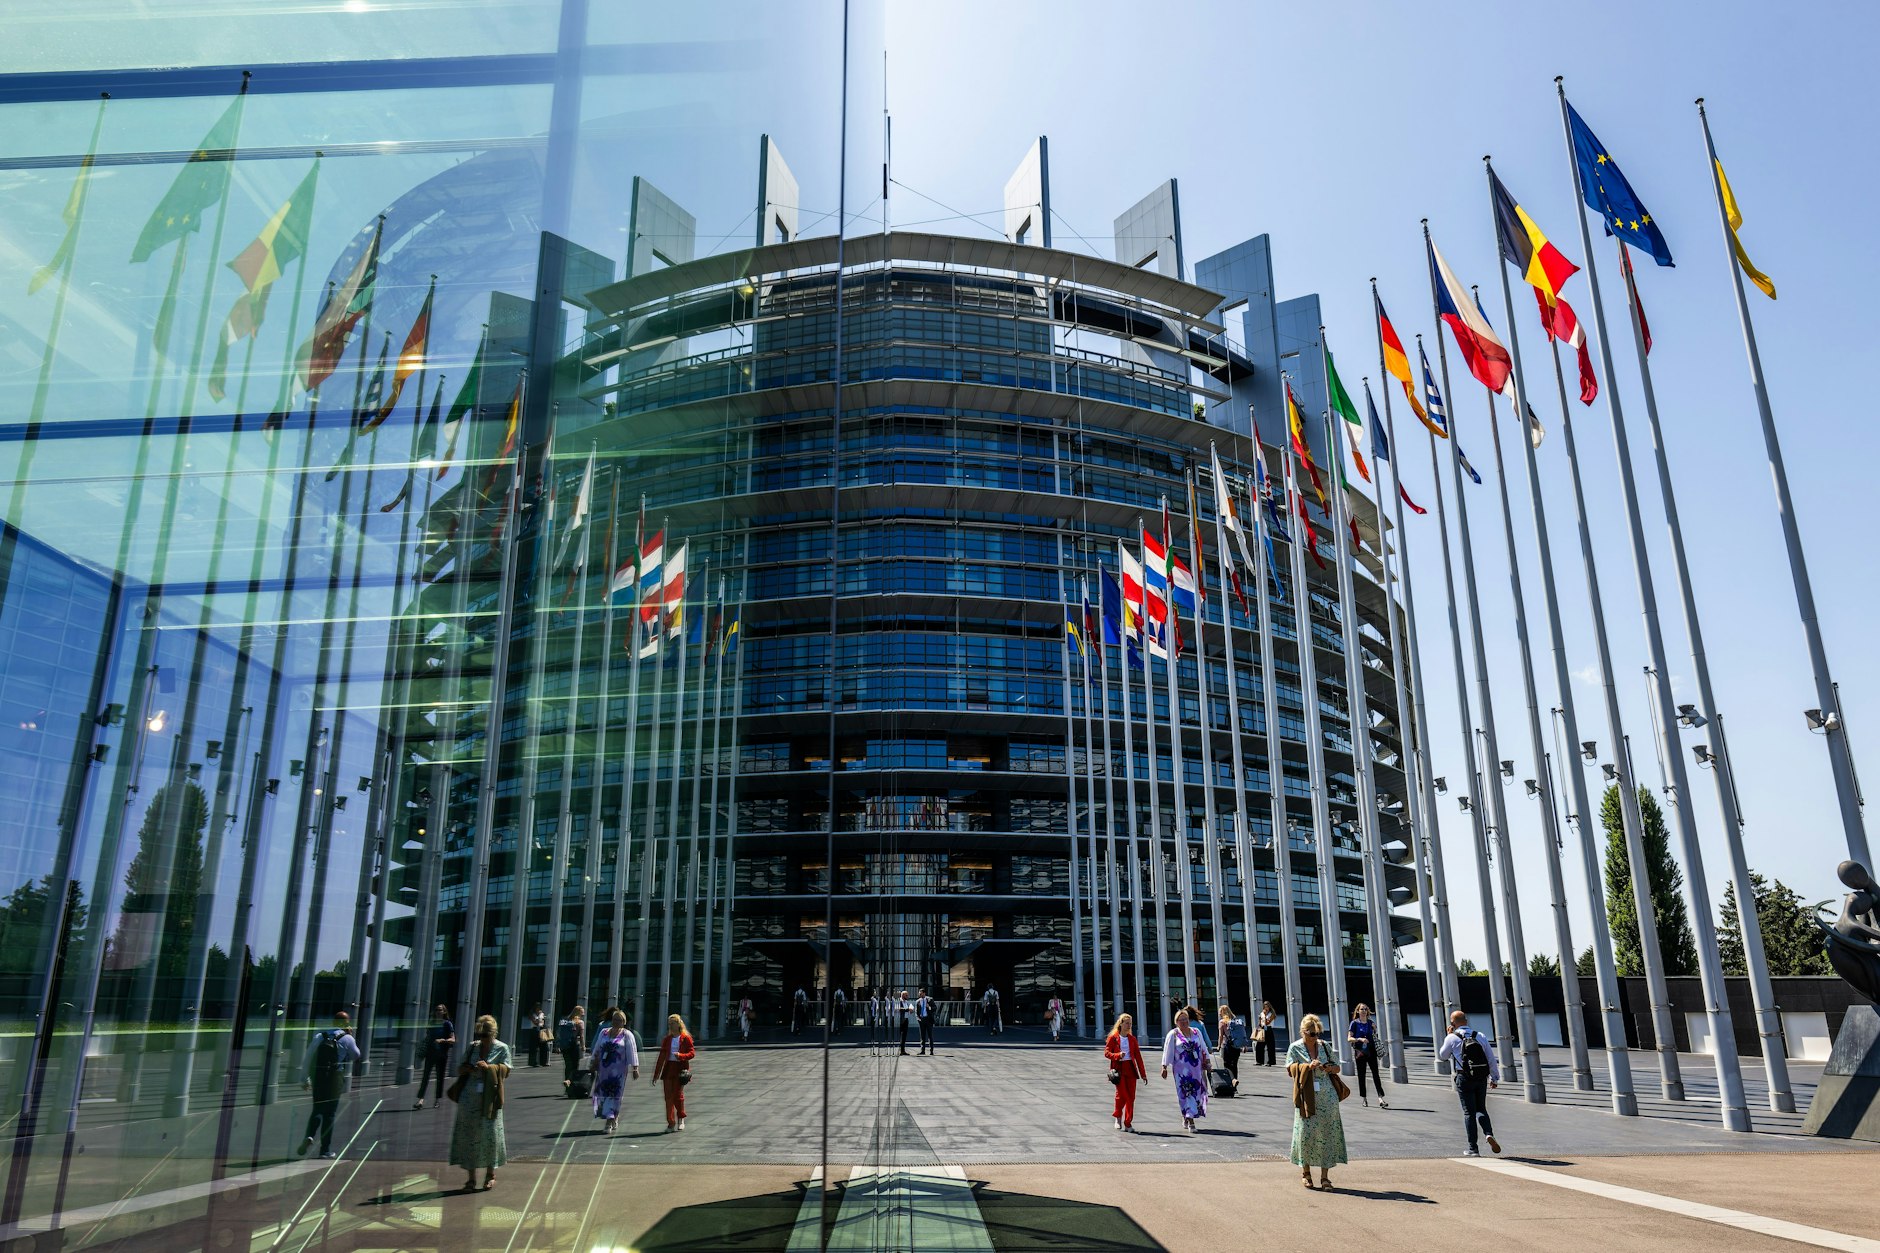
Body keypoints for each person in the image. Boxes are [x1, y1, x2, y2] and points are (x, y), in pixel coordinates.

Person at [448, 1014, 510, 1191]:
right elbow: (459, 1069)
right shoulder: (472, 1047)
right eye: (479, 1035)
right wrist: (466, 1069)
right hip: (469, 1096)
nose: (482, 1039)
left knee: (490, 1135)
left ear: (493, 1034)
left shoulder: (502, 1048)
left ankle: (490, 1173)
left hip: (490, 1097)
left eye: (485, 1036)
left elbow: (506, 1071)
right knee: (469, 1135)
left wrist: (489, 1068)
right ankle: (471, 1178)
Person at [1288, 1013, 1348, 1190]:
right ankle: (1306, 1172)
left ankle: (1325, 1177)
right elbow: (1290, 1070)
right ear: (1303, 1032)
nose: (1315, 1037)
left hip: (1327, 1096)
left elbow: (1337, 1067)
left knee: (1328, 1134)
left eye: (1317, 1033)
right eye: (1311, 1033)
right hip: (1307, 1096)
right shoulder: (1295, 1048)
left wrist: (1329, 1068)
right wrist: (1307, 1067)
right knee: (1306, 1134)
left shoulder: (1325, 1046)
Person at [1437, 1009, 1501, 1157]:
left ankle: (1473, 1148)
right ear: (1466, 1021)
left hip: (1464, 1077)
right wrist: (1494, 1077)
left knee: (1468, 1112)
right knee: (1481, 1109)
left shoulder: (1452, 1038)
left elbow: (1443, 1056)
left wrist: (1448, 1036)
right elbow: (1490, 1058)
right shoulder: (1480, 1036)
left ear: (1452, 1023)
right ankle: (1488, 1133)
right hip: (1480, 1077)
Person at [299, 1011, 362, 1158]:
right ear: (347, 1024)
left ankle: (309, 1136)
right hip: (335, 1077)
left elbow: (308, 1057)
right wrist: (351, 1036)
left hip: (319, 1076)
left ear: (333, 1022)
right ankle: (325, 1150)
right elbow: (356, 1055)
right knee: (330, 1114)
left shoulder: (320, 1036)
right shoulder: (347, 1039)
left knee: (317, 1109)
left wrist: (304, 1079)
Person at [1159, 1008, 1211, 1132]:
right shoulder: (1173, 1034)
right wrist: (1164, 1066)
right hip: (1181, 1071)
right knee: (1185, 1094)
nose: (1184, 1022)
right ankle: (1190, 1120)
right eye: (1181, 1020)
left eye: (1186, 1019)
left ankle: (1186, 1116)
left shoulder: (1196, 1031)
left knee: (1196, 1094)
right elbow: (1167, 1051)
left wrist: (1207, 1061)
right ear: (1176, 1022)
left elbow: (1203, 1047)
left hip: (1196, 1069)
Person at [590, 1009, 640, 1134]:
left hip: (618, 1072)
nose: (616, 1022)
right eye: (614, 1019)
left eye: (619, 1020)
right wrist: (593, 1061)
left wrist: (635, 1067)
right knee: (604, 1095)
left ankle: (609, 1121)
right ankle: (613, 1117)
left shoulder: (627, 1035)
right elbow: (597, 1047)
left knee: (614, 1095)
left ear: (624, 1022)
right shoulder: (604, 1032)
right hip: (603, 1070)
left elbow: (632, 1051)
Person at [652, 1013, 696, 1132]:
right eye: (669, 1024)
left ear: (679, 1024)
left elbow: (692, 1053)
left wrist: (681, 1055)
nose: (671, 1026)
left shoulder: (685, 1038)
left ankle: (681, 1117)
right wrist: (656, 1074)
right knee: (668, 1097)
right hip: (668, 1069)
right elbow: (661, 1057)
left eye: (673, 1023)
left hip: (680, 1069)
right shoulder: (667, 1040)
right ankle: (671, 1123)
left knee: (677, 1095)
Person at [1105, 1012, 1148, 1131]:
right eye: (1127, 1023)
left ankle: (1128, 1122)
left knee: (1131, 1097)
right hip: (1119, 1070)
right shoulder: (1113, 1038)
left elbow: (1138, 1057)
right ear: (1121, 1024)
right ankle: (1118, 1116)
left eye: (1130, 1023)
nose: (1129, 1025)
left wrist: (1143, 1074)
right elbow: (1107, 1053)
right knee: (1122, 1095)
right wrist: (1117, 1055)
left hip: (1131, 1069)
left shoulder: (1132, 1039)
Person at [414, 1003, 455, 1110]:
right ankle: (421, 1099)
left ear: (444, 1012)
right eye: (436, 1009)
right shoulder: (431, 1023)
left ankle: (437, 1100)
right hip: (431, 1053)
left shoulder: (447, 1024)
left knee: (440, 1077)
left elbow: (453, 1039)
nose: (438, 1011)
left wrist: (443, 1040)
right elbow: (428, 1036)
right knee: (425, 1076)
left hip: (442, 1054)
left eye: (440, 1010)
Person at [1348, 1003, 1388, 1108]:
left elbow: (1374, 1036)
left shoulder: (1371, 1023)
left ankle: (1380, 1098)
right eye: (1362, 1009)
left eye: (1366, 1009)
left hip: (1371, 1051)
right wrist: (1359, 1039)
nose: (1364, 1011)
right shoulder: (1354, 1023)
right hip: (1360, 1052)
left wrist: (1375, 1029)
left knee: (1376, 1074)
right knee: (1362, 1075)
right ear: (1358, 1011)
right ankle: (1364, 1098)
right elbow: (1349, 1038)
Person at [556, 1005, 587, 1094]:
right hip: (573, 1046)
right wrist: (583, 1046)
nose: (583, 1014)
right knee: (575, 1066)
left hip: (565, 1046)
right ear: (579, 1013)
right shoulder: (580, 1022)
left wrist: (558, 1045)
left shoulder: (565, 1021)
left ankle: (567, 1086)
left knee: (568, 1066)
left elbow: (559, 1033)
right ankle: (570, 1084)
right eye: (582, 1012)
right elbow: (581, 1036)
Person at [1217, 1005, 1247, 1094]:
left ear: (1222, 1012)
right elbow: (1242, 1034)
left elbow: (1220, 1035)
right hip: (1237, 1045)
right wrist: (1244, 1045)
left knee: (1227, 1065)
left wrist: (1218, 1045)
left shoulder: (1222, 1022)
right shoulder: (1237, 1021)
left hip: (1227, 1045)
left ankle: (1232, 1080)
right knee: (1234, 1065)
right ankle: (1235, 1087)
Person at [1255, 1001, 1278, 1067]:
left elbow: (1268, 1022)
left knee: (1270, 1046)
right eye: (1265, 1007)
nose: (1266, 1008)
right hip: (1262, 1029)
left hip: (1268, 1029)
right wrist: (1260, 1020)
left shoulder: (1272, 1014)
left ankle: (1270, 1061)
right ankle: (1259, 1061)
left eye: (1267, 1007)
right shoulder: (1262, 1013)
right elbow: (1260, 1022)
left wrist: (1264, 1016)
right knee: (1259, 1045)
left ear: (1269, 1007)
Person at [916, 987, 936, 1055]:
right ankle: (922, 1050)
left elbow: (934, 1008)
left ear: (924, 993)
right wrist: (918, 1019)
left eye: (921, 993)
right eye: (919, 994)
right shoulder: (918, 1001)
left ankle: (931, 1050)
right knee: (922, 1036)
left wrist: (929, 1007)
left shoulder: (930, 999)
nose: (920, 995)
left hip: (928, 1019)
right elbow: (916, 1012)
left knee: (930, 1035)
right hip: (921, 1020)